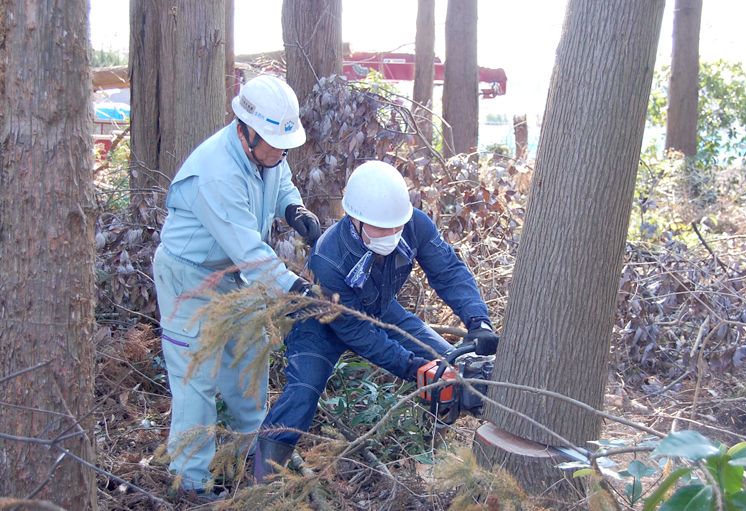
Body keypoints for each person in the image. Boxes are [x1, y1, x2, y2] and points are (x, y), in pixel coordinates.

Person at [253, 160, 499, 480]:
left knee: (448, 364)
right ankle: (261, 480)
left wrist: (477, 320)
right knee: (302, 393)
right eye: (382, 227)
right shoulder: (329, 257)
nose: (392, 234)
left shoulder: (413, 225)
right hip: (320, 323)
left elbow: (448, 271)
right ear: (355, 218)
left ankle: (434, 454)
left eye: (396, 225)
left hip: (380, 308)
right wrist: (410, 366)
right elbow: (358, 332)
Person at [153, 74, 320, 497]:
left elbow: (278, 178)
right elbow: (249, 249)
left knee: (249, 355)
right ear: (246, 131)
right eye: (274, 143)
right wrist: (295, 290)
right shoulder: (217, 173)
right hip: (188, 276)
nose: (281, 152)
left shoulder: (268, 153)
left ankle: (255, 453)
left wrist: (293, 208)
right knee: (197, 379)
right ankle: (190, 481)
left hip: (231, 273)